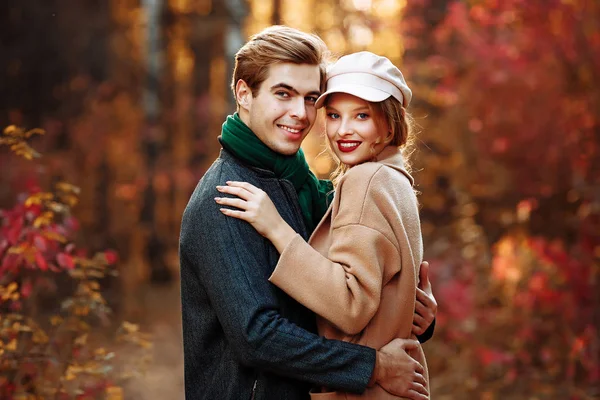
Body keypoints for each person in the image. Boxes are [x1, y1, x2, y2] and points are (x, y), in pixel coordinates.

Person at [179, 26, 436, 400]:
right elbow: (259, 336)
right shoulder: (227, 198)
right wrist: (374, 366)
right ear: (244, 94)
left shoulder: (301, 186)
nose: (300, 113)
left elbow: (348, 286)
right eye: (283, 94)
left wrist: (414, 315)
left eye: (311, 98)